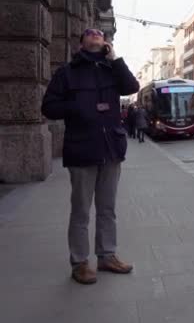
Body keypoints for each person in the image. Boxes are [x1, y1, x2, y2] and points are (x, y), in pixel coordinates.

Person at [41, 28, 139, 285]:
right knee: (81, 211)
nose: (96, 33)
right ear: (81, 42)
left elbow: (132, 86)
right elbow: (48, 107)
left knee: (107, 209)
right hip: (82, 149)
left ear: (105, 42)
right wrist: (79, 107)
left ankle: (107, 256)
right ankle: (80, 262)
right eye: (90, 32)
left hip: (111, 149)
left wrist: (115, 58)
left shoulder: (111, 69)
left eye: (100, 33)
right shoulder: (67, 73)